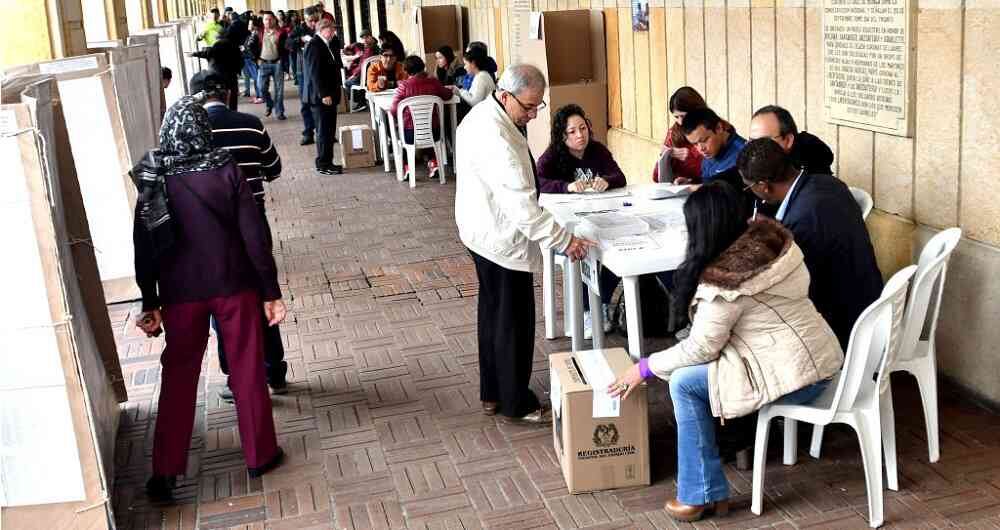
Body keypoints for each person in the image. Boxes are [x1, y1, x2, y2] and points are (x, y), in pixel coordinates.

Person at [608, 182, 843, 523]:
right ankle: (708, 488)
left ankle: (699, 493)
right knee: (701, 374)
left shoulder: (728, 281)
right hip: (818, 357)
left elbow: (702, 347)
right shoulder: (771, 246)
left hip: (798, 374)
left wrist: (644, 367)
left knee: (685, 383)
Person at [133, 96, 286, 501]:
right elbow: (254, 234)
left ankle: (165, 471)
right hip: (234, 285)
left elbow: (144, 243)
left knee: (179, 375)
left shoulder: (154, 172)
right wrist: (270, 290)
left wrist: (149, 301)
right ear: (204, 130)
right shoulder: (225, 168)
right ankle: (260, 454)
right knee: (247, 368)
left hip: (180, 294)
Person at [455, 64, 596, 423]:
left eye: (538, 107)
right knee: (513, 321)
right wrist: (565, 241)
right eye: (528, 106)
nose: (532, 114)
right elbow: (523, 207)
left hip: (480, 229)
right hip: (499, 238)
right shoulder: (496, 137)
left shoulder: (487, 114)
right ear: (505, 95)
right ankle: (518, 402)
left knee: (493, 315)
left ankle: (493, 393)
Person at [189, 71, 287, 400]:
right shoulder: (250, 124)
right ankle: (275, 369)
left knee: (225, 304)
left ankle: (238, 375)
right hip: (254, 224)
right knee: (264, 291)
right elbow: (273, 169)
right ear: (228, 93)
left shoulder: (191, 134)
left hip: (212, 232)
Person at [738, 138, 883, 350]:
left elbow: (797, 286)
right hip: (870, 303)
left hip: (843, 327)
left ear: (764, 186)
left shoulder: (800, 220)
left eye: (749, 186)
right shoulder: (829, 184)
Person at [535, 104, 625, 337]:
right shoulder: (553, 156)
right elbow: (538, 181)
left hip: (596, 216)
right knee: (585, 246)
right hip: (564, 228)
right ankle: (587, 311)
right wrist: (565, 187)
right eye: (572, 132)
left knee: (612, 246)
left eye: (583, 128)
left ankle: (601, 304)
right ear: (562, 136)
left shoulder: (598, 151)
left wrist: (607, 180)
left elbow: (619, 176)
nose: (579, 135)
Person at [390, 55, 453, 178]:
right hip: (434, 132)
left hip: (410, 134)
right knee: (428, 132)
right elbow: (447, 95)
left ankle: (407, 167)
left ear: (406, 71)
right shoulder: (434, 82)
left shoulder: (403, 86)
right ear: (423, 67)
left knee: (400, 132)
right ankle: (434, 162)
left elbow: (393, 110)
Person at [303, 18, 343, 175]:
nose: (333, 32)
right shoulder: (314, 45)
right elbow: (315, 73)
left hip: (330, 94)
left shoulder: (329, 43)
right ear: (322, 29)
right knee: (323, 131)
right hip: (320, 96)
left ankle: (328, 161)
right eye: (331, 29)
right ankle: (323, 164)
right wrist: (324, 94)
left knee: (329, 130)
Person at [749, 105, 834, 175]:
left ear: (788, 140)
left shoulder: (811, 158)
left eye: (764, 141)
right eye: (752, 141)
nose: (755, 148)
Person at [653, 86, 706, 184]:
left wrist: (691, 181)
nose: (680, 122)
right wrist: (666, 156)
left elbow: (713, 170)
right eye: (676, 117)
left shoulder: (710, 130)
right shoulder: (674, 133)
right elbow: (657, 178)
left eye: (683, 116)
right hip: (679, 191)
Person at [681, 107, 746, 185]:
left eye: (704, 140)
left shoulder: (743, 154)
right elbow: (707, 181)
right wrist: (691, 183)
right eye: (695, 144)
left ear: (719, 128)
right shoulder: (710, 152)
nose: (701, 149)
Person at [191, 37, 243, 110]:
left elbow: (205, 53)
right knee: (233, 96)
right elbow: (240, 63)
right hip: (231, 75)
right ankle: (233, 112)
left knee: (218, 95)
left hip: (218, 76)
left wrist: (194, 54)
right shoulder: (234, 49)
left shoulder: (215, 49)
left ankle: (220, 110)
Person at [292, 8, 319, 145]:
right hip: (303, 70)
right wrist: (300, 39)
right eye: (310, 21)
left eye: (316, 20)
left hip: (319, 70)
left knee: (322, 103)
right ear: (305, 19)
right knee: (305, 102)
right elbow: (288, 44)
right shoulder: (299, 29)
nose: (313, 23)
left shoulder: (321, 28)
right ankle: (308, 132)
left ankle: (323, 132)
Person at [257, 12, 287, 119]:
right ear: (263, 21)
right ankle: (269, 103)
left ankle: (279, 112)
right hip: (263, 63)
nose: (268, 21)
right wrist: (256, 59)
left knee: (279, 89)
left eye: (270, 19)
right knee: (261, 88)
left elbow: (285, 48)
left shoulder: (281, 32)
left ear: (274, 20)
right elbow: (251, 46)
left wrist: (283, 61)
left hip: (277, 63)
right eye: (266, 19)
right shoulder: (259, 32)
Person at [344, 29, 379, 110]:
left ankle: (361, 102)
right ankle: (362, 101)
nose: (365, 40)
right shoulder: (373, 46)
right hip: (370, 74)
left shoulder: (369, 49)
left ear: (371, 37)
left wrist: (354, 75)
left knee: (347, 83)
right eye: (363, 38)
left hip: (365, 76)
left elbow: (363, 65)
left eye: (367, 37)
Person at [456, 51, 496, 120]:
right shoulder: (481, 75)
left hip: (485, 117)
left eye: (465, 64)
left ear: (473, 63)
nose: (464, 67)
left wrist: (460, 91)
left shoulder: (481, 77)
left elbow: (475, 102)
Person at [241, 17, 263, 103]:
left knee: (257, 78)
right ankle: (258, 96)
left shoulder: (255, 35)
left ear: (255, 26)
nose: (248, 25)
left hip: (252, 59)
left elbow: (252, 47)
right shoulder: (252, 34)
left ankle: (261, 96)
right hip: (249, 59)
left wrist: (244, 48)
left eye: (250, 24)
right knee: (255, 78)